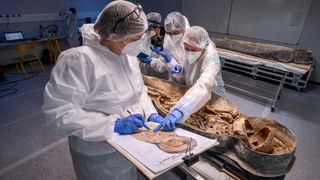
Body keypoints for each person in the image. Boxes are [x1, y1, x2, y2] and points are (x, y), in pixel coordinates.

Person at [42, 1, 164, 179]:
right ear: (113, 36)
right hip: (99, 154)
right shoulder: (78, 60)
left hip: (133, 144)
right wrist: (112, 125)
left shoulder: (127, 56)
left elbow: (139, 92)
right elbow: (58, 114)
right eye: (135, 39)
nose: (139, 43)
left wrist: (150, 112)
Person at [151, 26, 226, 132]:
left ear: (203, 47)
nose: (189, 52)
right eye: (186, 48)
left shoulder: (211, 59)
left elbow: (203, 86)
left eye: (194, 50)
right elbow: (187, 71)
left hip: (213, 99)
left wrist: (179, 111)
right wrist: (179, 69)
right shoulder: (189, 48)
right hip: (192, 98)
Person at [138, 11, 190, 79]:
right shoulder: (167, 40)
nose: (172, 36)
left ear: (183, 29)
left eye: (176, 33)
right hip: (171, 78)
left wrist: (180, 68)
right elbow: (162, 63)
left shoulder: (191, 39)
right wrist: (151, 60)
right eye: (170, 33)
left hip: (189, 80)